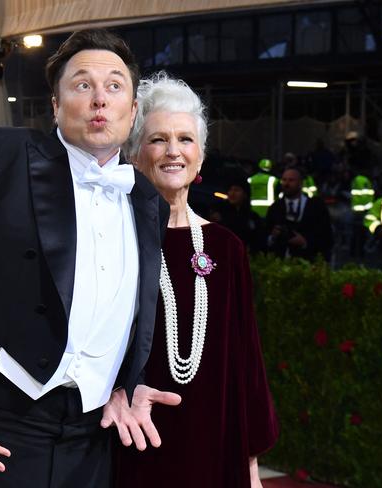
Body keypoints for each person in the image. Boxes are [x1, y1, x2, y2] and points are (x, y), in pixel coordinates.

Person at [0, 29, 180, 488]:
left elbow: (135, 313)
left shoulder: (145, 200)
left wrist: (126, 383)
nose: (99, 99)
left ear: (132, 111)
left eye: (115, 86)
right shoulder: (1, 154)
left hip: (92, 437)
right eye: (82, 84)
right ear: (54, 104)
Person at [115, 72, 278, 488]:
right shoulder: (114, 238)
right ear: (134, 153)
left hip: (215, 441)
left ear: (201, 157)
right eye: (158, 139)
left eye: (185, 139)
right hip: (133, 439)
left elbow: (246, 361)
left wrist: (251, 467)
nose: (174, 151)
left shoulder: (227, 247)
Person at [266, 167, 333, 261]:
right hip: (280, 261)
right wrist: (273, 237)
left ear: (300, 183)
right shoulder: (275, 207)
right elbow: (265, 236)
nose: (286, 184)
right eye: (284, 180)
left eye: (291, 180)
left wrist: (305, 242)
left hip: (309, 261)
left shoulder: (316, 207)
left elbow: (327, 236)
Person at [210, 178, 266, 255]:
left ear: (245, 194)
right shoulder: (219, 213)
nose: (232, 193)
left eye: (236, 190)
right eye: (230, 190)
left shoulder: (252, 216)